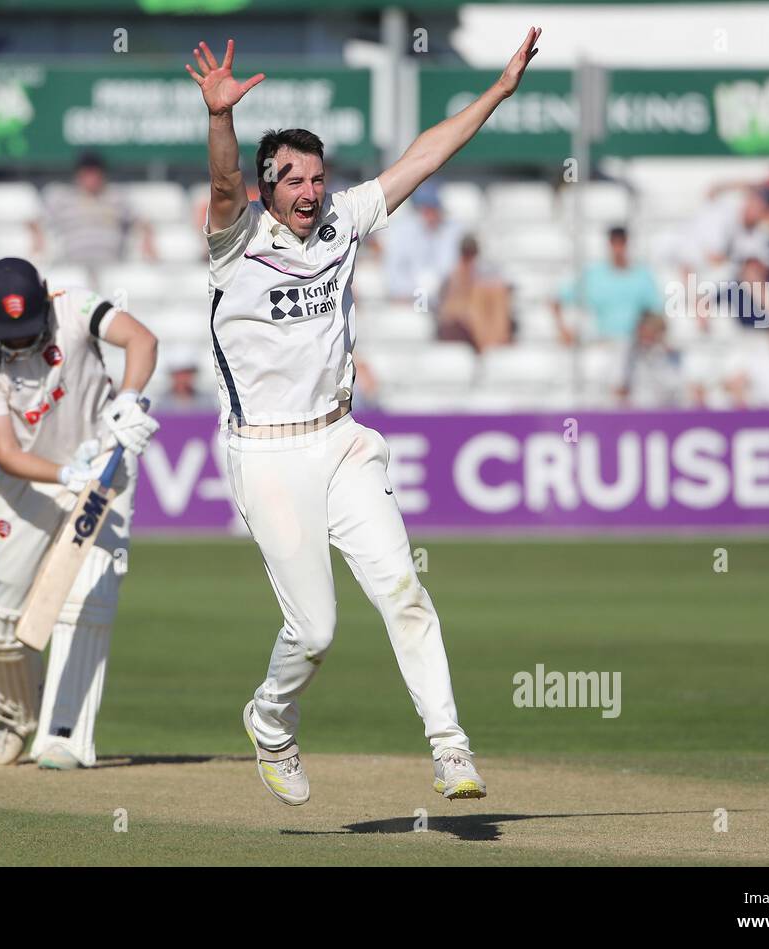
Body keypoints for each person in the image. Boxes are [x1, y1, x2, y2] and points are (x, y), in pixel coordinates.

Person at [186, 30, 541, 805]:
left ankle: (449, 748)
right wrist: (221, 118)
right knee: (314, 631)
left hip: (343, 441)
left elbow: (425, 155)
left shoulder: (344, 221)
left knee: (404, 592)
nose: (310, 192)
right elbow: (220, 184)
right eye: (292, 181)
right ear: (266, 189)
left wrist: (498, 93)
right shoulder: (234, 241)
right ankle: (271, 721)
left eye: (317, 177)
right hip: (267, 455)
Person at [0, 257, 159, 769]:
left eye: (28, 333)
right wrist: (65, 474)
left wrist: (129, 401)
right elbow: (4, 451)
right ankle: (14, 716)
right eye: (12, 335)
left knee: (89, 601)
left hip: (106, 472)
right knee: (1, 624)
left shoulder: (74, 307)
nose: (22, 345)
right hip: (31, 488)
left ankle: (63, 738)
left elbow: (142, 340)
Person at [46, 151, 155, 281]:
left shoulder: (117, 197)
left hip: (112, 268)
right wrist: (38, 239)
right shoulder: (63, 198)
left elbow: (141, 220)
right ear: (78, 175)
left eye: (95, 173)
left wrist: (147, 240)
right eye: (87, 173)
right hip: (73, 268)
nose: (91, 178)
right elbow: (36, 218)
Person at [553, 226, 661, 345]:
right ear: (609, 244)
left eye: (621, 243)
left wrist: (649, 329)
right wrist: (563, 329)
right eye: (614, 243)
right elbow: (556, 300)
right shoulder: (594, 275)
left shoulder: (642, 275)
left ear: (627, 244)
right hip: (603, 344)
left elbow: (657, 312)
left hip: (636, 346)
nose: (618, 249)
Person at [382, 182, 461, 306]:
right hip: (410, 297)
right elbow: (393, 273)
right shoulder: (402, 231)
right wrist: (417, 291)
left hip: (444, 297)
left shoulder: (452, 231)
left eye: (433, 208)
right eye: (425, 208)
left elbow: (451, 268)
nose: (430, 214)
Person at [437, 235, 513, 351]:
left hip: (485, 325)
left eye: (471, 255)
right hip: (464, 327)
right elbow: (446, 309)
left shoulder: (487, 275)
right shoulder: (452, 276)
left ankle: (491, 345)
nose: (469, 260)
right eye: (466, 255)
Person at [618, 313, 684, 408]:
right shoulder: (630, 353)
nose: (646, 335)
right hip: (636, 406)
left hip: (664, 406)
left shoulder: (670, 354)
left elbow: (674, 384)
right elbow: (622, 384)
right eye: (643, 331)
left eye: (650, 331)